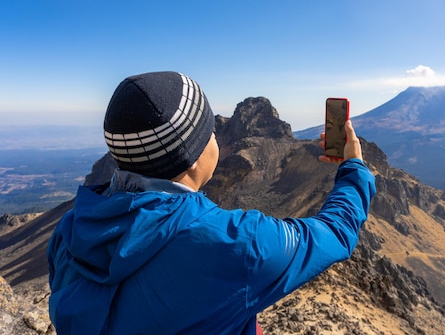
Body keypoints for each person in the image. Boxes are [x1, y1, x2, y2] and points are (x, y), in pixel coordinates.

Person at [47, 71, 376, 335]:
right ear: (191, 158)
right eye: (210, 133)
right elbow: (334, 233)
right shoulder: (237, 244)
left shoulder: (70, 230)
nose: (218, 139)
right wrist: (354, 168)